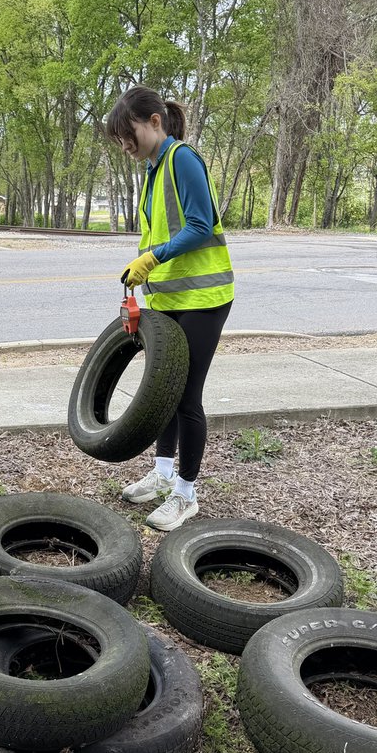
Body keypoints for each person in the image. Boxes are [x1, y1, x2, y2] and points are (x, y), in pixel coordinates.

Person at [105, 85, 234, 532]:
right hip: (170, 299)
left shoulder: (181, 159)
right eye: (119, 139)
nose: (125, 146)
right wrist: (145, 272)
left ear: (154, 122)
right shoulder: (155, 169)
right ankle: (162, 475)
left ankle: (186, 493)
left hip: (203, 298)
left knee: (185, 395)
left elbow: (201, 225)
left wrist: (153, 257)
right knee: (163, 388)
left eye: (128, 134)